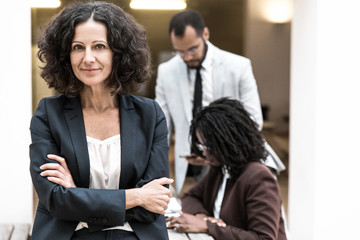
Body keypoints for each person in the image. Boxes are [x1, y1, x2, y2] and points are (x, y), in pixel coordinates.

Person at [29, 2, 172, 239]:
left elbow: (154, 204)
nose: (88, 58)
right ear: (65, 55)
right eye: (77, 47)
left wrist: (77, 196)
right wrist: (135, 196)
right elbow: (56, 200)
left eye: (99, 46)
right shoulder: (48, 114)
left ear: (119, 52)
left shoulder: (150, 114)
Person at [155, 9, 285, 195]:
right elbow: (161, 125)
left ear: (205, 34)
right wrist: (156, 168)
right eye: (180, 52)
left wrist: (213, 152)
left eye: (192, 49)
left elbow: (253, 120)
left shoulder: (238, 66)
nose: (187, 57)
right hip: (187, 163)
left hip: (233, 158)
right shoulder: (166, 71)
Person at [167, 98, 287, 240]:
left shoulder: (258, 177)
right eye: (202, 146)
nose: (204, 153)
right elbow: (191, 196)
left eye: (209, 146)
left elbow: (263, 238)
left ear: (229, 141)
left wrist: (208, 227)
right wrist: (202, 217)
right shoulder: (222, 168)